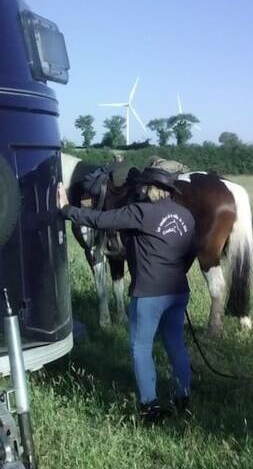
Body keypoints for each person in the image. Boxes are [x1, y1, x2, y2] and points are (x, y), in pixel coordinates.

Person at [57, 167, 197, 423]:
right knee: (176, 344)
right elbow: (191, 252)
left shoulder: (140, 212)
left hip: (148, 295)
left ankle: (150, 407)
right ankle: (183, 398)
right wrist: (175, 274)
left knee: (141, 348)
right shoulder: (186, 215)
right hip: (178, 292)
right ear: (166, 191)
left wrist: (67, 210)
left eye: (143, 187)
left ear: (148, 189)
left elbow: (100, 220)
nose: (139, 190)